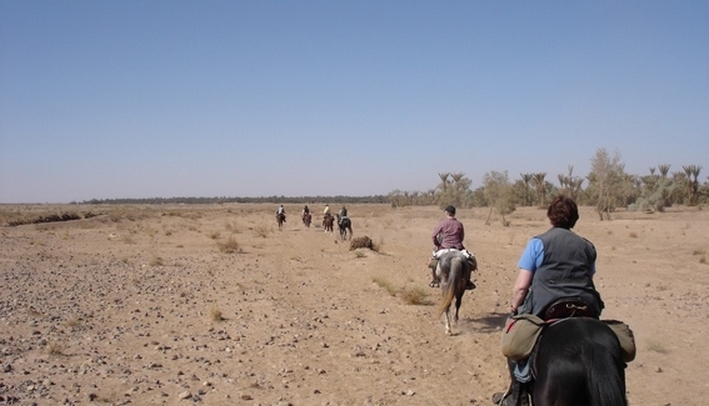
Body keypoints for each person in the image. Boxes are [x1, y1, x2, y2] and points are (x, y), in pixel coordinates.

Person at [494, 195, 604, 406]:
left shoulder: (538, 243)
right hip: (586, 305)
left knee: (514, 342)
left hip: (548, 305)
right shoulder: (588, 246)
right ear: (575, 219)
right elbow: (588, 278)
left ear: (550, 217)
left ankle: (517, 398)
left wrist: (514, 307)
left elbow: (522, 286)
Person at [429, 205, 476, 290]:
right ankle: (468, 281)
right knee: (470, 260)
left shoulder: (442, 223)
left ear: (446, 213)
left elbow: (433, 235)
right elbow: (461, 238)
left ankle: (435, 280)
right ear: (454, 214)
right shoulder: (459, 224)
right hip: (458, 248)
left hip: (444, 248)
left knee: (433, 260)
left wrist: (437, 244)